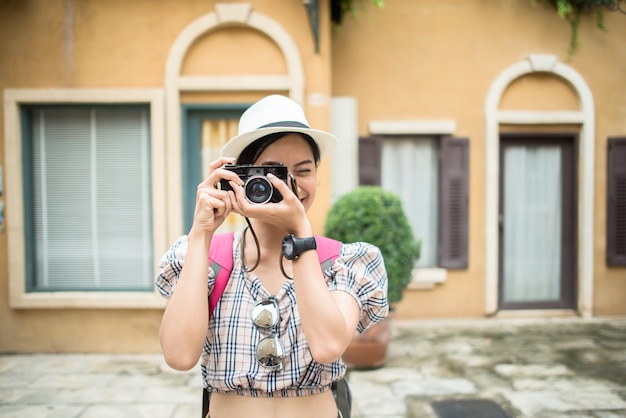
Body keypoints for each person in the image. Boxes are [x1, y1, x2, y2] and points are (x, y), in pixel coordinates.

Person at [156, 94, 388, 418]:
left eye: (303, 171)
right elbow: (179, 356)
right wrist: (201, 234)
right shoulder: (207, 257)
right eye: (272, 171)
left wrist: (301, 235)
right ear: (240, 177)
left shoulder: (343, 261)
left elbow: (327, 346)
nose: (289, 184)